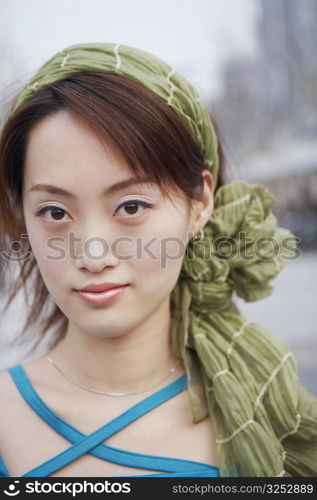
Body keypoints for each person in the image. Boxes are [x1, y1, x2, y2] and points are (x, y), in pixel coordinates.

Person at [0, 42, 316, 478]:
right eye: (55, 212)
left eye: (130, 206)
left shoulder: (263, 405)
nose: (93, 256)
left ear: (200, 203)